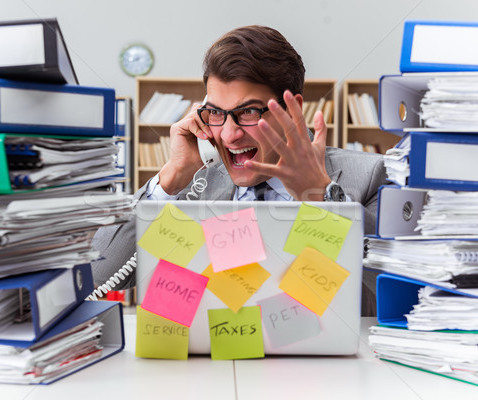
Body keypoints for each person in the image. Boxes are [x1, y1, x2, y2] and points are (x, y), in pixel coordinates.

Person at [91, 25, 390, 314]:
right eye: (217, 114)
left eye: (248, 112)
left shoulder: (370, 176)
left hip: (327, 362)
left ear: (293, 111)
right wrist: (172, 176)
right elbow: (99, 274)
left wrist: (322, 201)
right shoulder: (195, 185)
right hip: (213, 359)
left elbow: (396, 292)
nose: (229, 135)